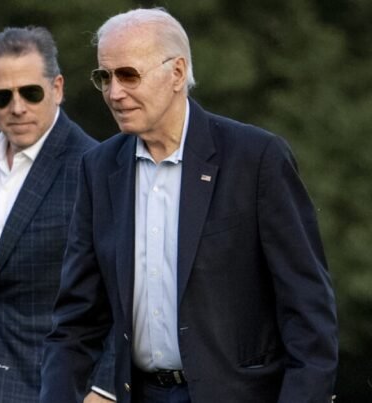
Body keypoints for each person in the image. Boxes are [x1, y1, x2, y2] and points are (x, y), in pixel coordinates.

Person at [40, 8, 338, 403]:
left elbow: (308, 314)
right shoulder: (99, 168)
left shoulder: (256, 159)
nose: (114, 93)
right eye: (104, 77)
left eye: (128, 75)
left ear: (177, 73)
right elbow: (76, 322)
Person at [0, 26, 98, 403]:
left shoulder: (93, 166)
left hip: (57, 387)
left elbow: (118, 298)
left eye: (31, 93)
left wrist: (104, 390)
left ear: (57, 88)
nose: (17, 108)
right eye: (2, 97)